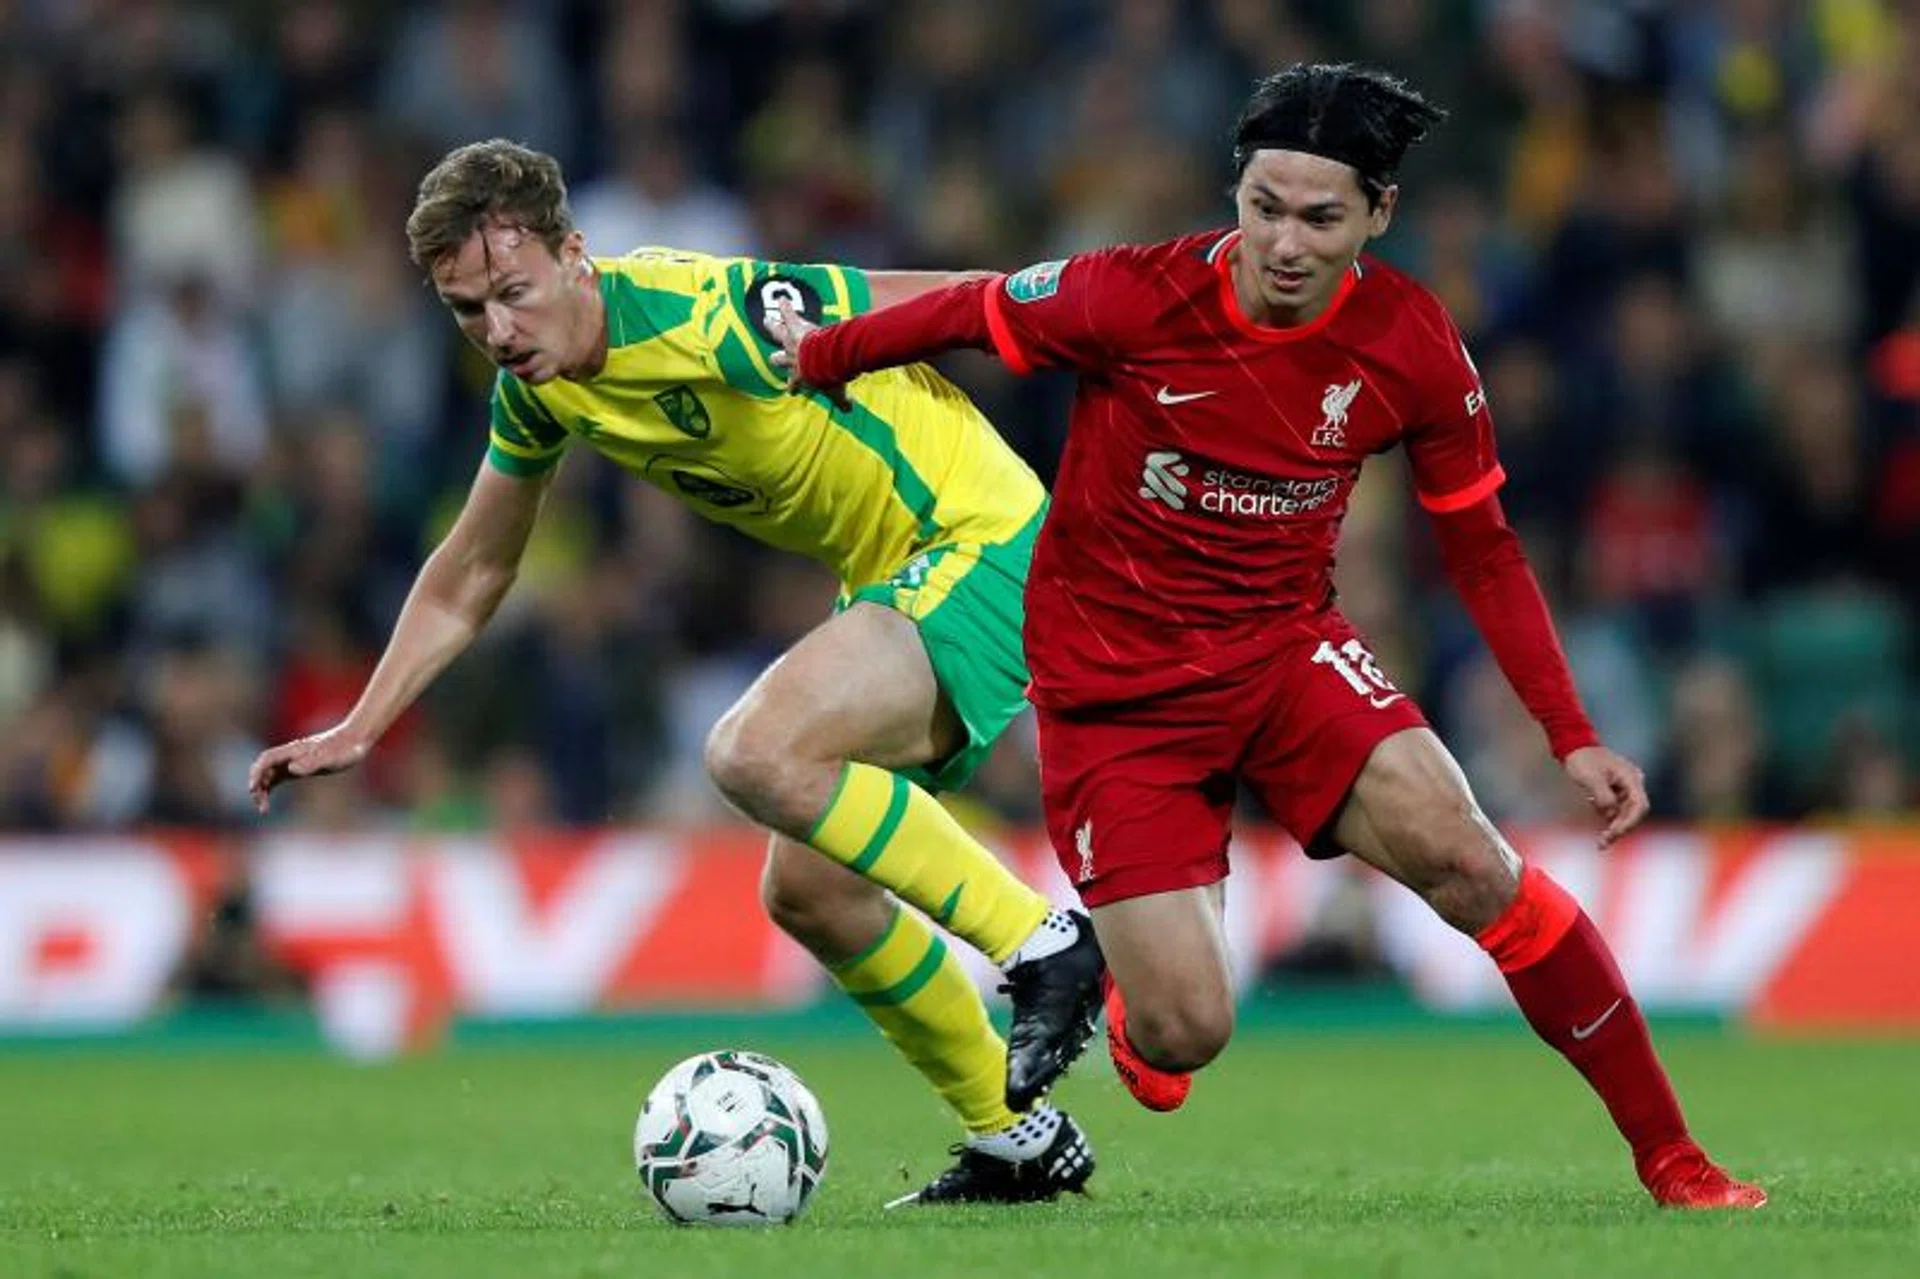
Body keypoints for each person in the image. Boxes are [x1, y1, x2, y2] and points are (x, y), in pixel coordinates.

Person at [772, 65, 1766, 1210]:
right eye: (1264, 208)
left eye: (1321, 218)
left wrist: (1570, 732)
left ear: (1379, 215)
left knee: (1471, 859)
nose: (1285, 243)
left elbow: (1483, 550)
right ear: (1236, 193)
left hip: (1285, 653)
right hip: (1114, 695)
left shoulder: (1412, 343)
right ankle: (1153, 996)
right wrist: (819, 358)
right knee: (1188, 1036)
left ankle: (1674, 1159)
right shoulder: (1132, 295)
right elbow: (970, 312)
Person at [245, 139, 1105, 1207]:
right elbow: (473, 568)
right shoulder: (543, 390)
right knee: (812, 891)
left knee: (753, 749)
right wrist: (363, 726)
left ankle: (1045, 941)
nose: (499, 331)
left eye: (513, 291)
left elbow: (955, 298)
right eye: (469, 311)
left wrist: (1107, 334)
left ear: (575, 255)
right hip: (895, 572)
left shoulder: (705, 309)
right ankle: (1011, 1133)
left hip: (983, 541)